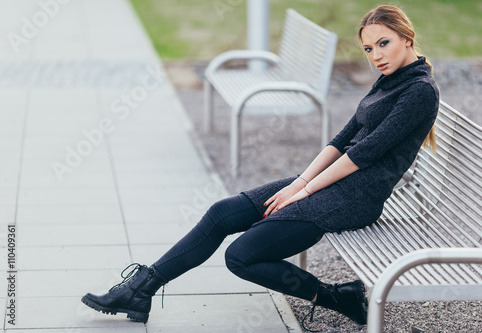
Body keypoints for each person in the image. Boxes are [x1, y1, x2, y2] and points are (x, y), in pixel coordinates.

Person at [81, 4, 439, 328]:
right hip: (333, 183)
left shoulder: (419, 91)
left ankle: (336, 297)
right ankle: (141, 288)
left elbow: (365, 154)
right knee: (221, 213)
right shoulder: (390, 79)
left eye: (384, 43)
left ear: (407, 39)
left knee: (241, 257)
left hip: (355, 197)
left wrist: (304, 189)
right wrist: (298, 181)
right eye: (368, 48)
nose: (376, 55)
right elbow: (341, 140)